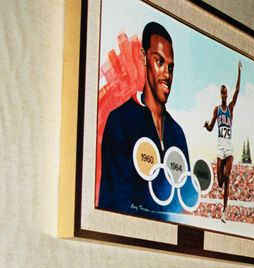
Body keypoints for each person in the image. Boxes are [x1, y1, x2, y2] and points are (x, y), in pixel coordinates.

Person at [98, 22, 190, 217]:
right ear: (143, 57)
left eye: (170, 67)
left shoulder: (177, 133)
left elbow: (181, 208)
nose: (166, 74)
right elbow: (111, 205)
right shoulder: (119, 121)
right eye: (159, 62)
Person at [204, 61, 242, 223]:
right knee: (220, 181)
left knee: (227, 177)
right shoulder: (217, 109)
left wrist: (239, 71)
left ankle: (224, 211)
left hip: (229, 145)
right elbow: (212, 128)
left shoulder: (231, 107)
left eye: (226, 93)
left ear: (227, 94)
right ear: (220, 95)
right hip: (220, 145)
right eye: (222, 93)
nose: (224, 95)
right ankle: (220, 182)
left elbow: (238, 90)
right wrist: (207, 126)